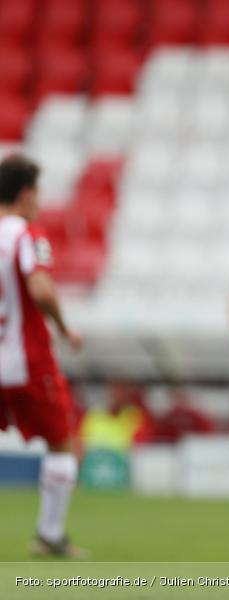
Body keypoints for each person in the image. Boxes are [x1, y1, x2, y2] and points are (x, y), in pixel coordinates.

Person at [0, 154, 85, 557]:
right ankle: (50, 535)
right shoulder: (26, 234)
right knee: (61, 441)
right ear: (26, 193)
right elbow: (41, 289)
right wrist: (65, 328)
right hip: (27, 359)